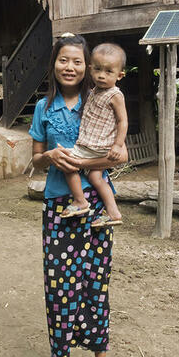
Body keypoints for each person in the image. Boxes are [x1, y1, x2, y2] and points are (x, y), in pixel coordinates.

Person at [27, 33, 127, 357]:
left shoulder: (100, 98)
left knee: (95, 284)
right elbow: (34, 159)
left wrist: (83, 163)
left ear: (89, 67)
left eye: (78, 62)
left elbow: (121, 155)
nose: (71, 67)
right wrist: (51, 156)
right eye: (63, 60)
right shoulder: (43, 107)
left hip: (97, 209)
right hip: (58, 205)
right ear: (54, 64)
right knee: (59, 288)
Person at [60, 43, 129, 228]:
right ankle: (114, 213)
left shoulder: (115, 95)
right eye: (97, 69)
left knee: (67, 163)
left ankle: (80, 201)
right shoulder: (95, 91)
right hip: (95, 145)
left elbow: (123, 121)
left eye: (108, 72)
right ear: (90, 69)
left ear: (119, 75)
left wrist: (117, 145)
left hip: (95, 146)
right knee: (95, 178)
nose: (101, 75)